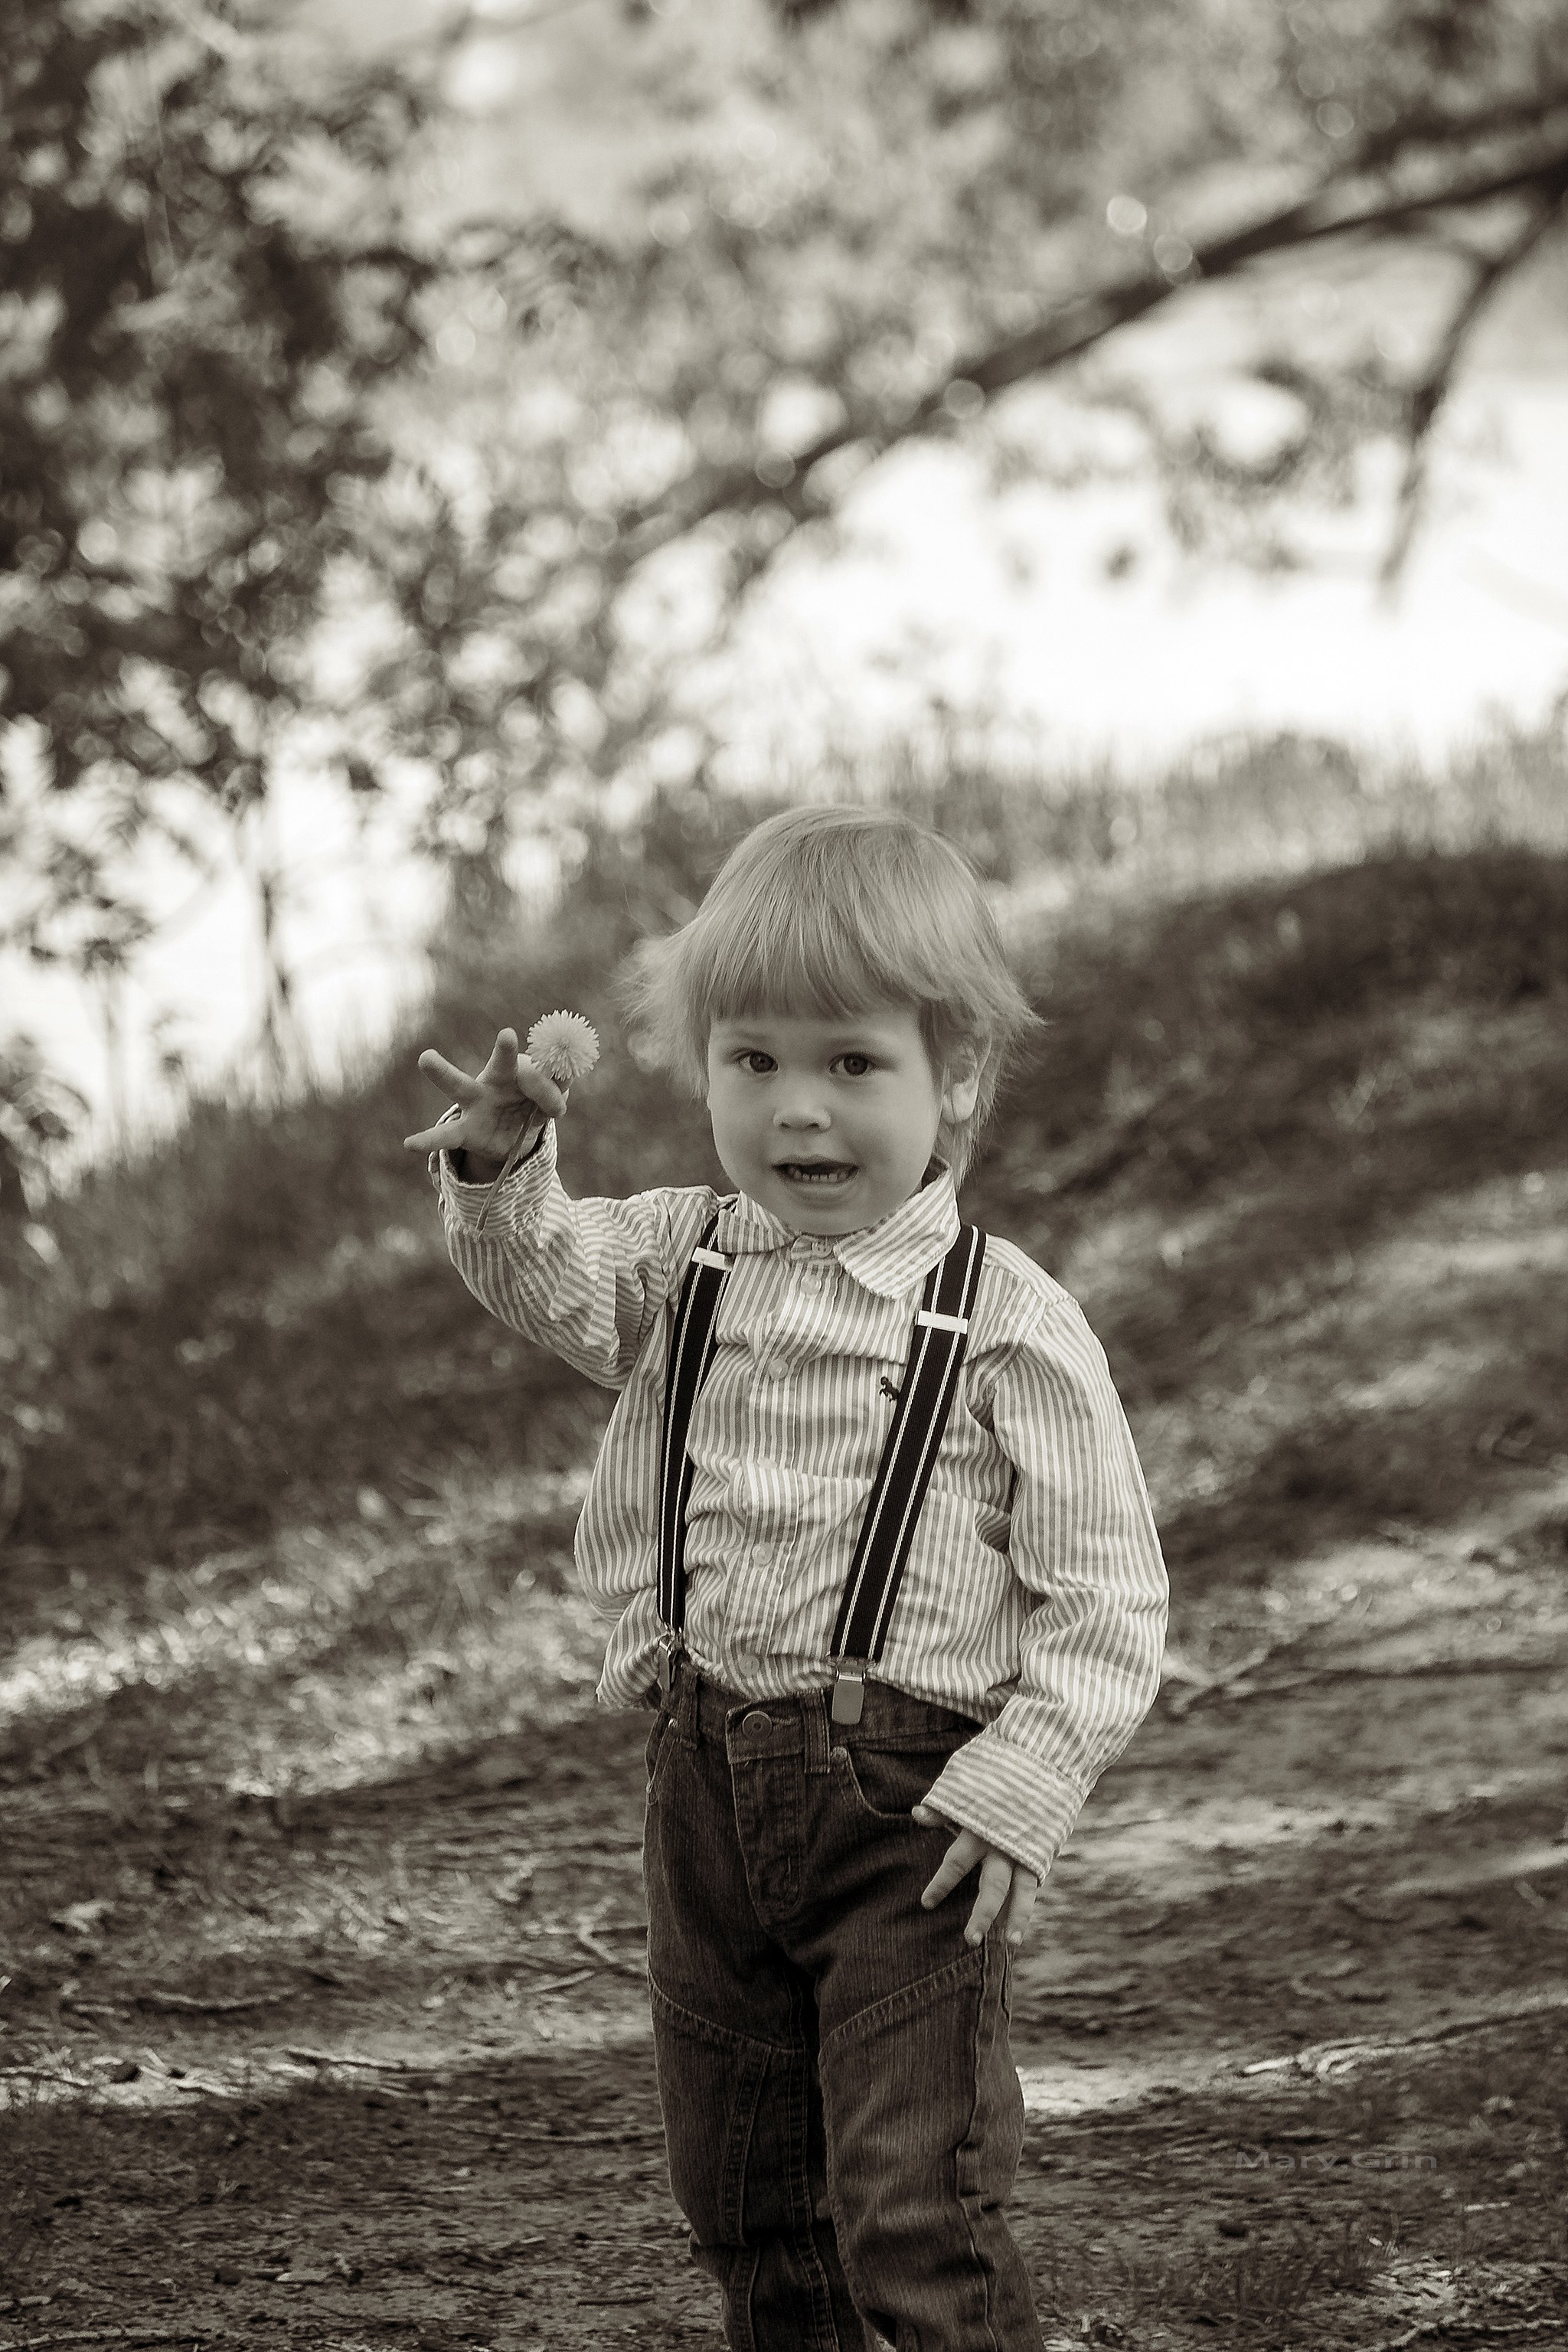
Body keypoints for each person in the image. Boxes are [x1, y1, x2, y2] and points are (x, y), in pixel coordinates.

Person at [405, 802, 1169, 2352]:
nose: (798, 1114)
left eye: (852, 1065)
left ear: (954, 1078)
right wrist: (502, 1162)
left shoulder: (1003, 1317)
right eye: (751, 1063)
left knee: (912, 2209)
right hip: (701, 1787)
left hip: (910, 1819)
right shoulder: (683, 1255)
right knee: (749, 2198)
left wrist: (1024, 1778)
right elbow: (543, 1278)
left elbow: (1105, 1595)